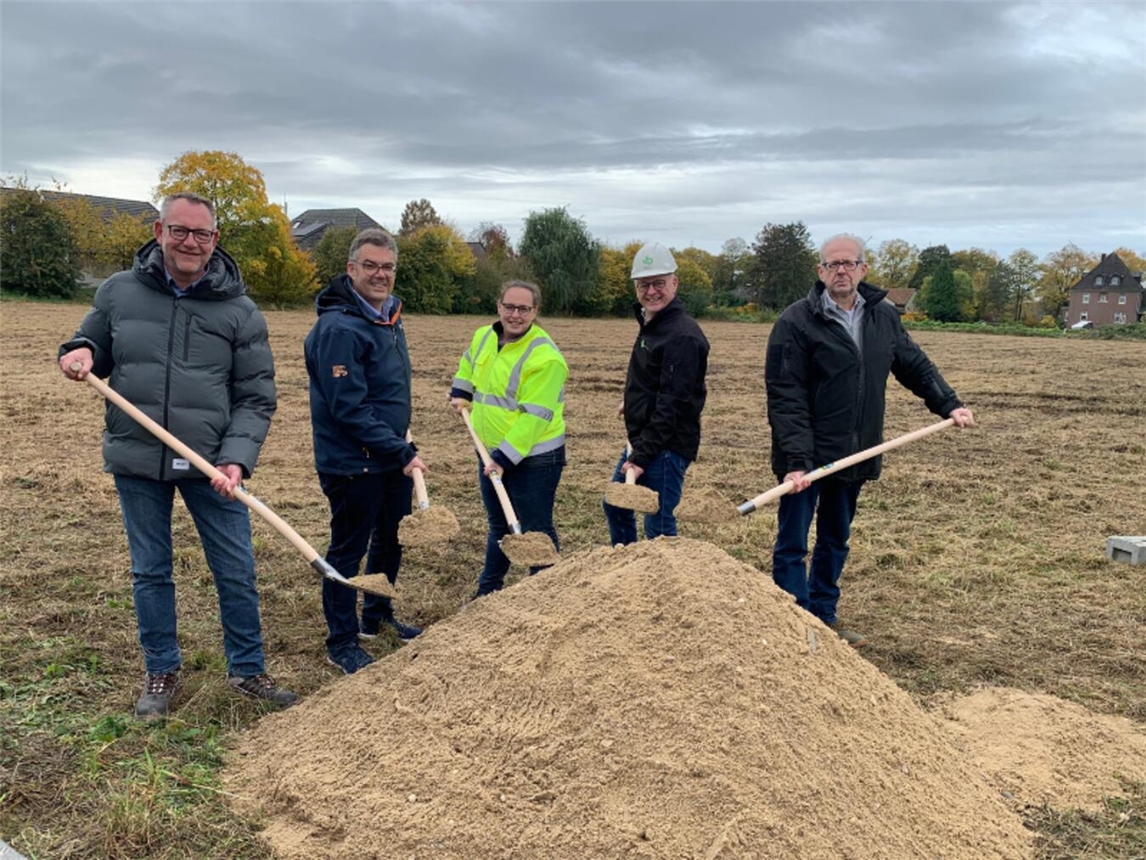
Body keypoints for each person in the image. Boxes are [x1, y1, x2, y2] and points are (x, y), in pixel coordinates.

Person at [58, 192, 297, 719]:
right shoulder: (119, 291)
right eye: (179, 230)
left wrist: (236, 458)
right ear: (159, 230)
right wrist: (77, 354)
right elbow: (89, 342)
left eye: (202, 233)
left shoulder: (239, 310)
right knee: (150, 570)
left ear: (215, 240)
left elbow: (256, 395)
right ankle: (161, 670)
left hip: (210, 461)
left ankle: (248, 670)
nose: (190, 242)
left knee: (235, 567)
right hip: (137, 456)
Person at [765, 233, 975, 648]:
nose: (840, 270)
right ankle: (792, 622)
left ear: (863, 269)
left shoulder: (883, 316)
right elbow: (785, 395)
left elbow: (914, 365)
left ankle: (823, 615)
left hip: (856, 450)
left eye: (849, 263)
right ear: (820, 272)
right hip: (805, 456)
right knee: (793, 541)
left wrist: (948, 404)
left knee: (834, 538)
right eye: (832, 264)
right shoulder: (796, 321)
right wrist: (796, 459)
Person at [304, 228, 427, 675]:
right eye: (370, 266)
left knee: (391, 539)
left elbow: (386, 391)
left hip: (390, 456)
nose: (381, 274)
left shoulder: (389, 317)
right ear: (351, 269)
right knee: (348, 549)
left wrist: (399, 447)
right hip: (352, 460)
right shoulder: (338, 328)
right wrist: (401, 449)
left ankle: (377, 616)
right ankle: (341, 640)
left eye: (388, 267)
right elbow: (349, 408)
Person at [449, 280, 568, 597]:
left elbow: (533, 419)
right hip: (489, 451)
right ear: (498, 306)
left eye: (523, 309)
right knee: (500, 526)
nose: (515, 314)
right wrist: (462, 392)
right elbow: (468, 364)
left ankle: (545, 598)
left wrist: (502, 459)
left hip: (535, 458)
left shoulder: (546, 358)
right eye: (509, 306)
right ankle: (488, 594)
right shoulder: (484, 336)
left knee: (535, 530)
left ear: (535, 311)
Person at [602, 242, 710, 545]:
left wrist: (640, 458)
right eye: (644, 284)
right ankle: (628, 569)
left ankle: (664, 589)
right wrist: (634, 402)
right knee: (616, 506)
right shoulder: (654, 323)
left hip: (666, 446)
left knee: (659, 527)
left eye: (659, 283)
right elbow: (655, 379)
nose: (651, 291)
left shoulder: (683, 335)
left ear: (674, 283)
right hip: (646, 437)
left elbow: (673, 405)